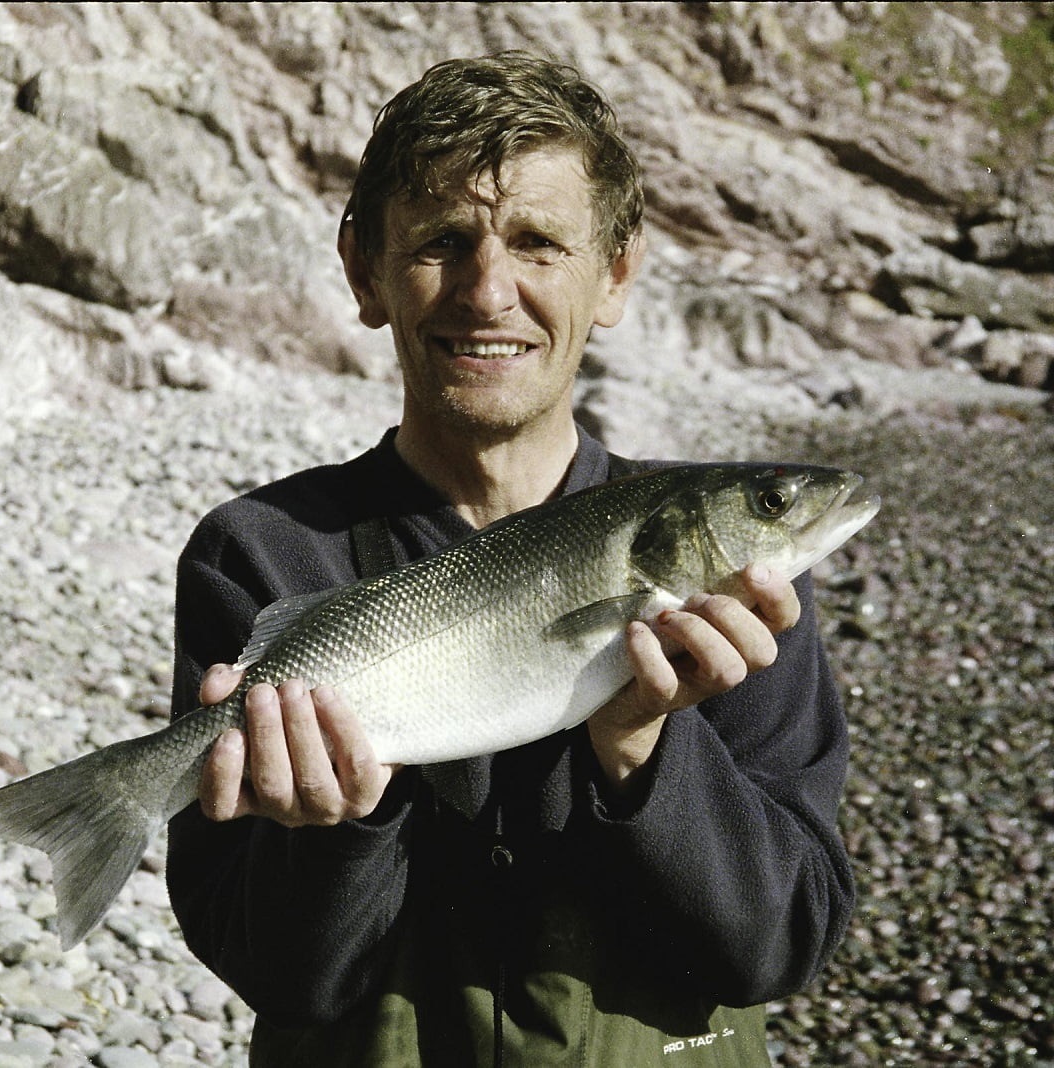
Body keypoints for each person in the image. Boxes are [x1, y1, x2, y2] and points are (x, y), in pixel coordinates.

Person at [167, 52, 854, 1067]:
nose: (490, 291)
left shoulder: (742, 594)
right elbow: (279, 976)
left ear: (615, 273)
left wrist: (643, 748)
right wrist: (339, 824)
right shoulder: (264, 554)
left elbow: (778, 947)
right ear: (365, 269)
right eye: (444, 242)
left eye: (538, 242)